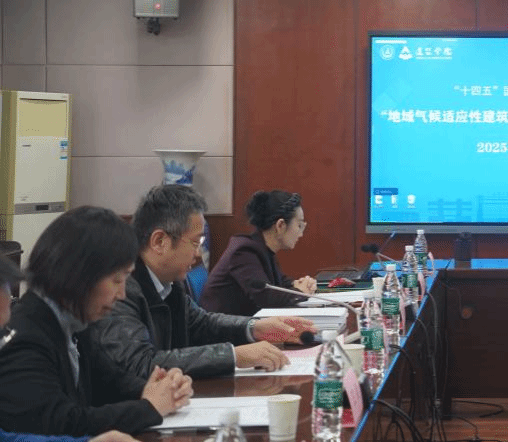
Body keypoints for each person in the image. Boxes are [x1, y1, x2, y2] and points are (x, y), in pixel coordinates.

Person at [89, 185, 317, 381]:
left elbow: (201, 324)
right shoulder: (120, 289)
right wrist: (234, 356)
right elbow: (140, 364)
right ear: (159, 241)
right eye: (195, 243)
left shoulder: (169, 281)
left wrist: (254, 328)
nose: (198, 254)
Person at [0, 207, 191, 436]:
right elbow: (60, 423)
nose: (122, 294)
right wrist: (149, 407)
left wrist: (157, 389)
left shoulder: (72, 321)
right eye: (117, 280)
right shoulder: (25, 337)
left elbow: (110, 382)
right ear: (79, 275)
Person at [200, 190, 317, 316]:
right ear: (280, 225)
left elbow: (278, 283)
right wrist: (299, 292)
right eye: (299, 225)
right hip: (222, 326)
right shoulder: (244, 251)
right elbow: (265, 297)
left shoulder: (263, 249)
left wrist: (297, 284)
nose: (301, 234)